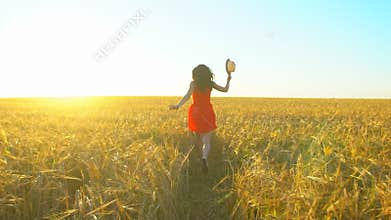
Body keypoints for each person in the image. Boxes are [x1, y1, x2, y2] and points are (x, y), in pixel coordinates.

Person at [169, 64, 232, 173]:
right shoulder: (210, 84)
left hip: (195, 111)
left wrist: (177, 105)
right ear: (208, 74)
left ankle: (198, 157)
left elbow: (187, 96)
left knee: (197, 137)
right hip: (207, 111)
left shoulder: (193, 84)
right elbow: (225, 89)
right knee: (206, 140)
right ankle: (204, 158)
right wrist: (228, 79)